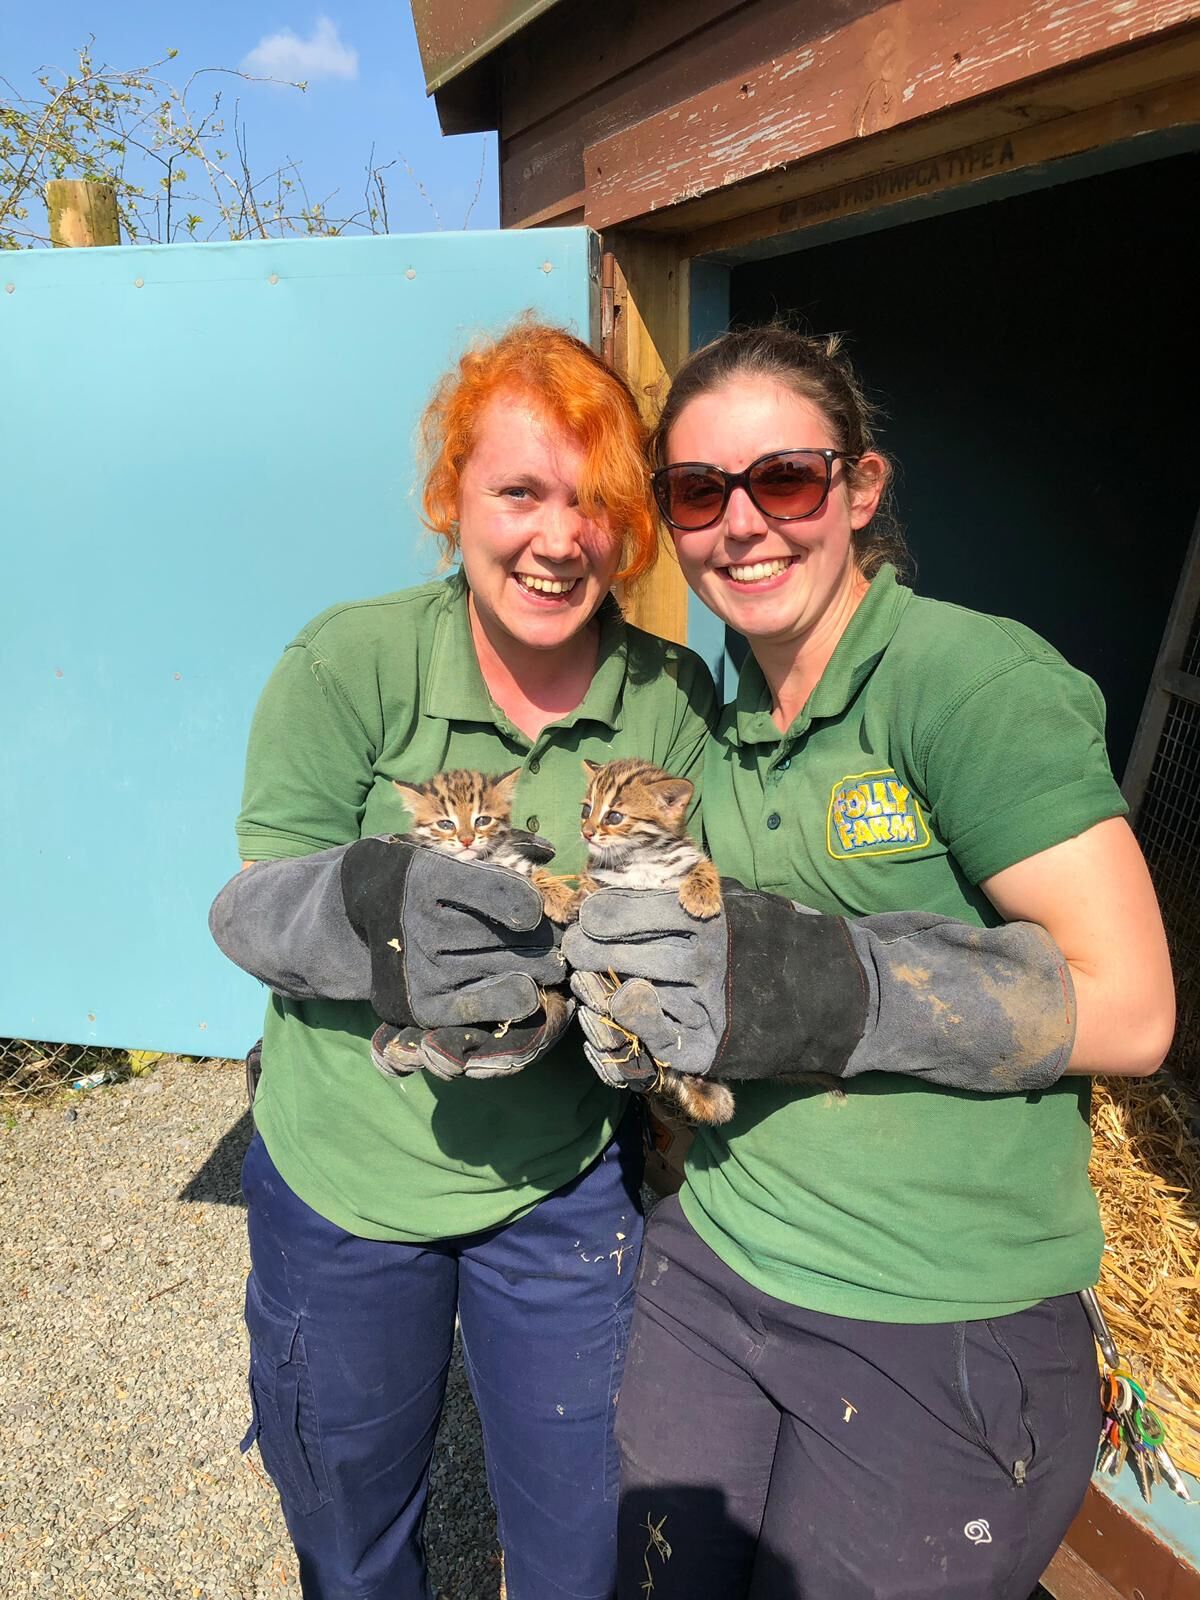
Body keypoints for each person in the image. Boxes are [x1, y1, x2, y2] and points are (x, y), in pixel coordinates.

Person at [563, 326, 1176, 1599]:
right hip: (719, 1252)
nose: (743, 525)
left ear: (859, 488)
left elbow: (1134, 1008)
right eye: (697, 493)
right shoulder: (717, 723)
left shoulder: (965, 679)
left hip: (937, 1308)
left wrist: (844, 986)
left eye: (783, 479)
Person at [207, 320, 718, 1600]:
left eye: (595, 502)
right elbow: (251, 902)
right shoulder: (353, 660)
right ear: (452, 500)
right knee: (353, 1535)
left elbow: (694, 911)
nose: (558, 538)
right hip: (347, 1185)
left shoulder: (671, 696)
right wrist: (383, 917)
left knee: (580, 1539)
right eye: (519, 492)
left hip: (557, 1186)